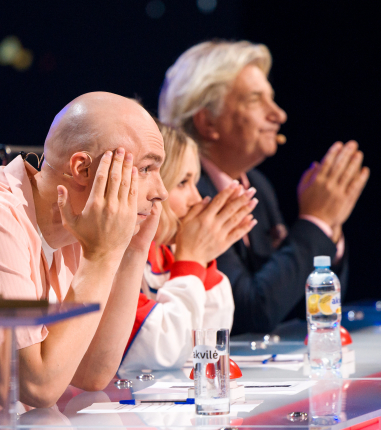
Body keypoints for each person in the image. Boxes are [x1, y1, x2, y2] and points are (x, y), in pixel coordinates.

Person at [0, 92, 168, 411]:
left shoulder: (79, 229)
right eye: (147, 168)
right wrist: (101, 255)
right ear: (82, 169)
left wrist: (133, 250)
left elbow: (92, 373)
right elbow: (35, 386)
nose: (162, 192)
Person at [158, 40, 370, 334]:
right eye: (256, 100)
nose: (279, 115)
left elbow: (297, 303)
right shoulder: (189, 198)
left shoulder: (257, 184)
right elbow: (249, 314)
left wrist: (327, 227)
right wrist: (316, 221)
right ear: (208, 122)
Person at [120, 122, 258, 371]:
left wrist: (202, 260)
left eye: (195, 182)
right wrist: (191, 262)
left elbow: (208, 347)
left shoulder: (165, 253)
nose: (197, 199)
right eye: (183, 182)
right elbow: (162, 352)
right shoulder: (119, 258)